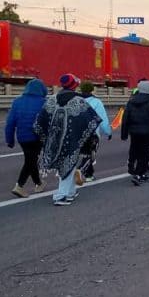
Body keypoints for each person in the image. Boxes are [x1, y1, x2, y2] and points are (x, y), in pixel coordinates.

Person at [34, 74, 102, 206]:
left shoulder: (52, 99)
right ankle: (61, 196)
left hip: (54, 139)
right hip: (72, 139)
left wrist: (46, 136)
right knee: (68, 163)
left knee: (67, 166)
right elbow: (92, 120)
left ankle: (70, 192)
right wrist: (88, 137)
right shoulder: (79, 101)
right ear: (74, 85)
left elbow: (40, 121)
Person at [5, 79, 48, 197]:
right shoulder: (44, 102)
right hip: (37, 137)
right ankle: (19, 185)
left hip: (22, 138)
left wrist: (9, 140)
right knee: (31, 161)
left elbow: (10, 123)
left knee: (31, 159)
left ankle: (38, 183)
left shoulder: (17, 102)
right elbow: (49, 122)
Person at [120, 80, 149, 185]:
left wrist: (124, 133)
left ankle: (135, 168)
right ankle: (139, 174)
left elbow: (125, 118)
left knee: (134, 148)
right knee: (145, 153)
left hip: (133, 131)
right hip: (147, 131)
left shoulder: (131, 101)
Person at [78, 82, 112, 181]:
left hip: (78, 133)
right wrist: (108, 132)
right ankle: (80, 171)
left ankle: (89, 176)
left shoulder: (76, 101)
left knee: (84, 154)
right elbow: (102, 119)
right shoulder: (96, 102)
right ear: (92, 90)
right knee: (90, 155)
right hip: (92, 133)